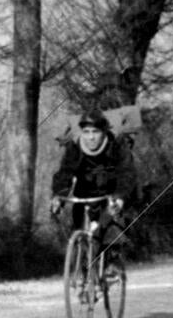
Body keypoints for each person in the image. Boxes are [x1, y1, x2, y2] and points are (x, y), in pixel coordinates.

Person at [50, 109, 138, 254]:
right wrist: (58, 197)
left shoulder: (117, 145)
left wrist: (120, 197)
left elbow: (127, 173)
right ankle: (83, 265)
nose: (90, 137)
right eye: (86, 132)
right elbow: (65, 173)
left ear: (104, 131)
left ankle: (112, 266)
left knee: (111, 226)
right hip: (85, 194)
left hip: (112, 193)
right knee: (80, 234)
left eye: (95, 132)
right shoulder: (75, 147)